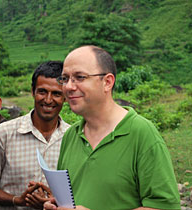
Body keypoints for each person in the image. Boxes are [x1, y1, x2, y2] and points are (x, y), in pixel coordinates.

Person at [44, 46, 181, 210]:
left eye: (79, 77)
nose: (69, 87)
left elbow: (165, 207)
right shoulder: (71, 135)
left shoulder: (141, 133)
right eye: (65, 79)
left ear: (107, 82)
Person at [0, 61, 70, 210]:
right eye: (42, 91)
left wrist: (55, 201)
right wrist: (17, 200)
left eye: (56, 93)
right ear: (32, 91)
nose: (48, 100)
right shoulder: (3, 133)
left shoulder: (73, 137)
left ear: (66, 96)